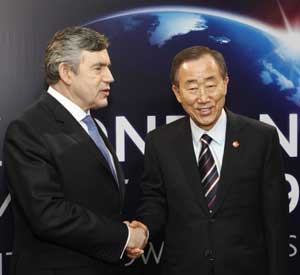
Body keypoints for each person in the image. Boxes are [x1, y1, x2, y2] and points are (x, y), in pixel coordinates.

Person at [131, 46, 289, 275]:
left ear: (225, 83)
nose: (203, 98)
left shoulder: (261, 138)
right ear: (177, 92)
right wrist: (143, 229)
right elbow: (155, 201)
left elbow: (276, 221)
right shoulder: (160, 142)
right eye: (192, 88)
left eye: (211, 85)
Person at [3, 26, 146, 275]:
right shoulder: (29, 129)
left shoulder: (90, 123)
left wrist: (119, 240)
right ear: (67, 73)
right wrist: (123, 236)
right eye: (98, 68)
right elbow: (48, 215)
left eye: (108, 67)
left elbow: (95, 202)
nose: (110, 77)